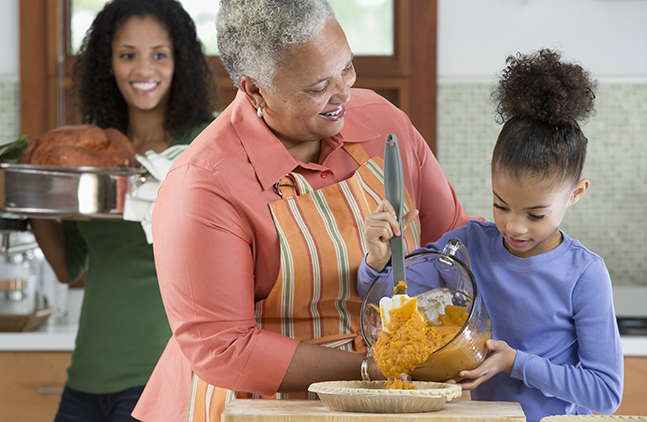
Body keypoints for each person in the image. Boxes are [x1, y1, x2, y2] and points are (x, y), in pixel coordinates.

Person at [130, 0, 471, 420]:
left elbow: (454, 244)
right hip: (259, 406)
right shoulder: (203, 184)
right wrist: (367, 369)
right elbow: (224, 348)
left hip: (389, 395)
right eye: (317, 88)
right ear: (255, 89)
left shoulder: (383, 122)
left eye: (346, 67)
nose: (344, 94)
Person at [357, 49, 623, 421]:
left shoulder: (584, 274)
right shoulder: (467, 246)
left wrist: (515, 362)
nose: (514, 226)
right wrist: (378, 260)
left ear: (576, 193)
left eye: (535, 214)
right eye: (501, 205)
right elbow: (387, 300)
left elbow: (605, 392)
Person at [29, 0, 215, 421]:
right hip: (85, 379)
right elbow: (68, 267)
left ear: (179, 62)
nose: (143, 70)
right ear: (108, 64)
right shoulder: (92, 152)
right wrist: (33, 192)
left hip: (162, 380)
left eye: (159, 55)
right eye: (127, 55)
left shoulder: (204, 146)